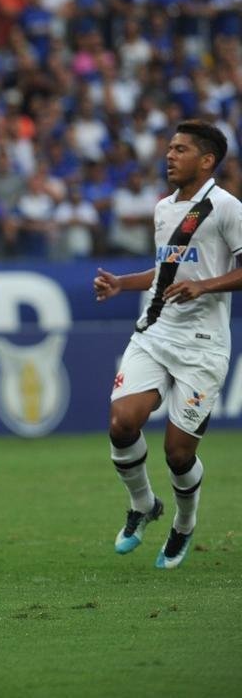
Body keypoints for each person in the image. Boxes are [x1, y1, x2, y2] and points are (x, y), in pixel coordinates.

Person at [93, 120, 242, 569]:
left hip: (203, 346)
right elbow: (166, 273)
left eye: (180, 149)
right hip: (156, 333)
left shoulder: (226, 207)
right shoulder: (163, 209)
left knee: (178, 453)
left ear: (206, 159)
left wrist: (207, 287)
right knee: (122, 422)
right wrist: (123, 282)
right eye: (169, 148)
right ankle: (143, 505)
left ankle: (183, 523)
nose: (169, 156)